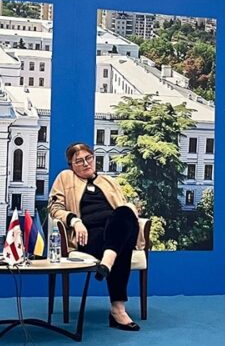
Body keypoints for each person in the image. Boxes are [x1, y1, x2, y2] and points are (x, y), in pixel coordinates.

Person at [48, 142, 141, 331]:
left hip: (115, 229)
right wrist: (75, 221)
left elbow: (124, 207)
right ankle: (118, 310)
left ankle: (107, 260)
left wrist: (131, 209)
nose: (85, 163)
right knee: (119, 246)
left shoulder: (108, 181)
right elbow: (54, 208)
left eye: (88, 158)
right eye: (79, 161)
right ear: (71, 165)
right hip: (88, 235)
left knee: (125, 212)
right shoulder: (65, 178)